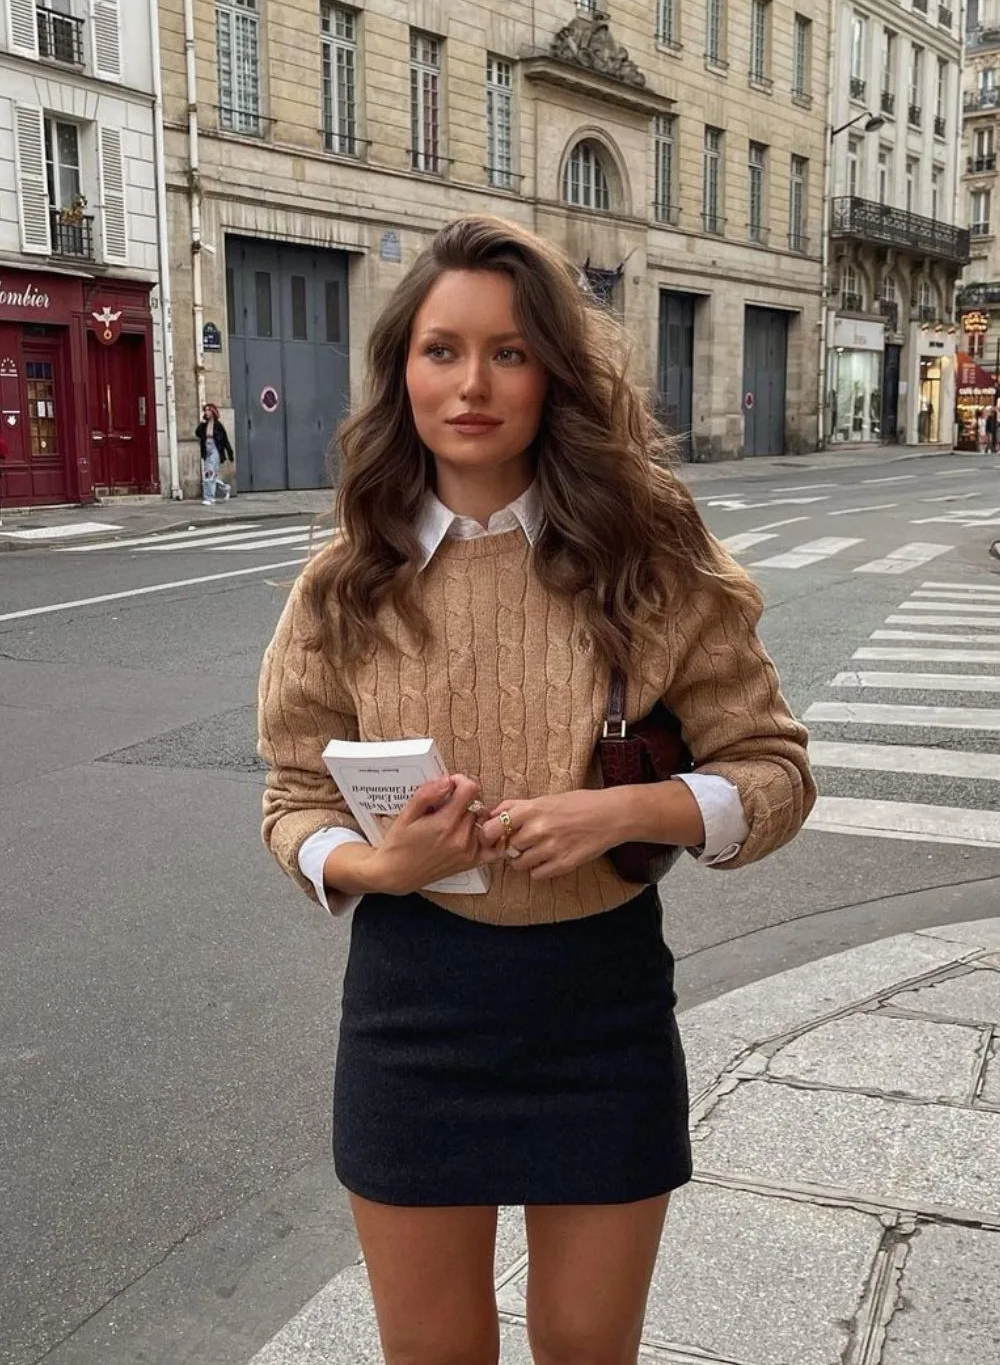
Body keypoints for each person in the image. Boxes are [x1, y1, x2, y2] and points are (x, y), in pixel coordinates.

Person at [258, 216, 815, 1365]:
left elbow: (773, 770)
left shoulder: (646, 553)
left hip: (598, 1001)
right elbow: (292, 797)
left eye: (509, 352)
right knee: (435, 1355)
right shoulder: (346, 579)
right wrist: (376, 865)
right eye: (441, 350)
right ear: (401, 370)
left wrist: (633, 810)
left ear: (555, 372)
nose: (471, 383)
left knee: (585, 1347)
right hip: (415, 1007)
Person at [195, 403, 233, 504]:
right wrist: (201, 424)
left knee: (209, 474)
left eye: (208, 410)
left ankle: (209, 498)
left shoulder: (218, 425)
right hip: (207, 449)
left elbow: (225, 440)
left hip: (215, 449)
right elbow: (197, 433)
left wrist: (230, 453)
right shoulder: (204, 424)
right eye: (205, 410)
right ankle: (225, 488)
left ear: (213, 412)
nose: (206, 412)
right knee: (211, 475)